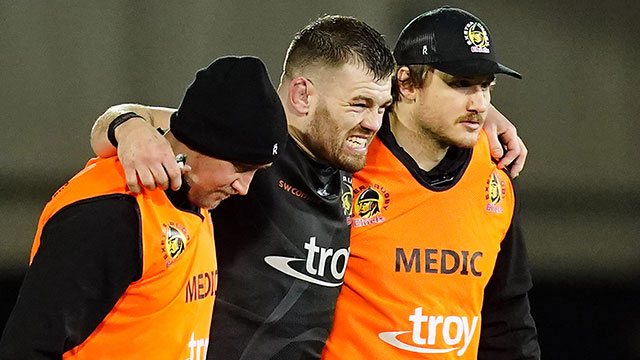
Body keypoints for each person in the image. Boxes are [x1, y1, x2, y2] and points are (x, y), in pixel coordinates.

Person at [88, 15, 528, 360]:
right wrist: (130, 129)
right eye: (359, 104)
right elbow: (138, 121)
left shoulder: (351, 157)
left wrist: (475, 114)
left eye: (380, 106)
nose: (372, 122)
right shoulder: (251, 152)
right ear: (302, 95)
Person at [0, 56, 288, 359]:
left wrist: (126, 123)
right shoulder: (110, 216)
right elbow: (26, 348)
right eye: (240, 168)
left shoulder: (193, 190)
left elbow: (146, 116)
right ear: (201, 143)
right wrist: (126, 126)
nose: (244, 188)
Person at [320, 7, 540, 359]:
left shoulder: (493, 175)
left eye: (486, 86)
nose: (480, 103)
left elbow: (508, 319)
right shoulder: (347, 162)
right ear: (406, 83)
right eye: (460, 84)